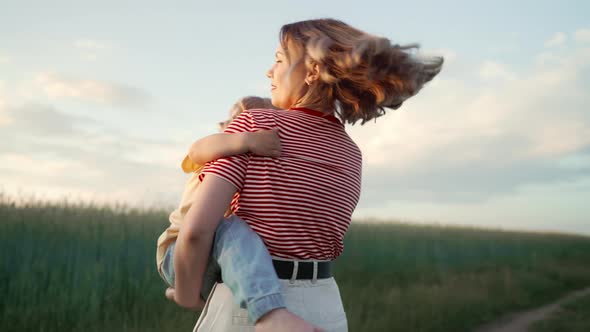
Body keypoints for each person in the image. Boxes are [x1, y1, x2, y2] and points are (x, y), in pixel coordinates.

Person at [171, 18, 443, 332]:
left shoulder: (254, 127)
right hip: (324, 305)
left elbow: (196, 232)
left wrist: (187, 294)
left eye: (278, 60)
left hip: (250, 306)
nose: (269, 71)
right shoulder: (351, 153)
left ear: (312, 71)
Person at [156, 96, 284, 307]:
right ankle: (266, 309)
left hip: (209, 255)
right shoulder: (216, 155)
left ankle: (195, 299)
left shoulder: (248, 166)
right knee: (232, 229)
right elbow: (195, 150)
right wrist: (247, 140)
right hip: (179, 255)